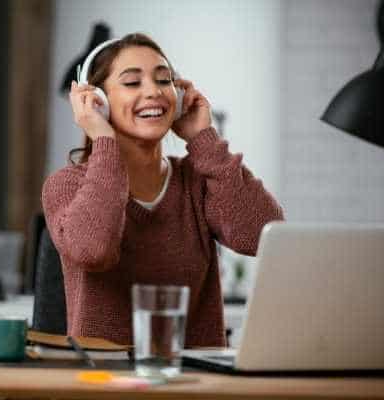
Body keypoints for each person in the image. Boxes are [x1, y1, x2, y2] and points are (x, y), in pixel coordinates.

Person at [41, 33, 284, 347]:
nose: (154, 92)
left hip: (196, 384)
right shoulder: (65, 185)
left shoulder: (196, 181)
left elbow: (262, 234)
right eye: (132, 83)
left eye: (164, 80)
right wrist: (103, 139)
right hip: (103, 382)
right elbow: (94, 250)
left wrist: (204, 139)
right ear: (97, 101)